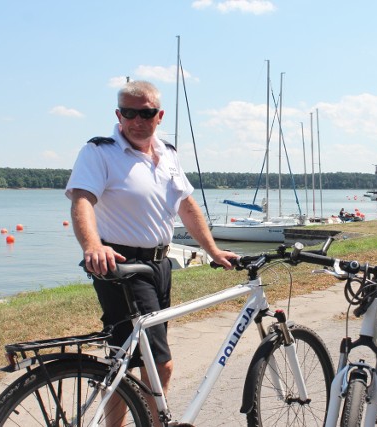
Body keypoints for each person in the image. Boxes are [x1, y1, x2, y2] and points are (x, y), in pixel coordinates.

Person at [66, 80, 235, 420]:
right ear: (118, 114)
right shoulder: (100, 152)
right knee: (160, 363)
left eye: (144, 113)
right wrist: (92, 245)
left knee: (126, 359)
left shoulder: (168, 154)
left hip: (160, 266)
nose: (136, 120)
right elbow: (82, 199)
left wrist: (213, 251)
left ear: (159, 115)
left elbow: (187, 206)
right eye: (128, 112)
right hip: (121, 264)